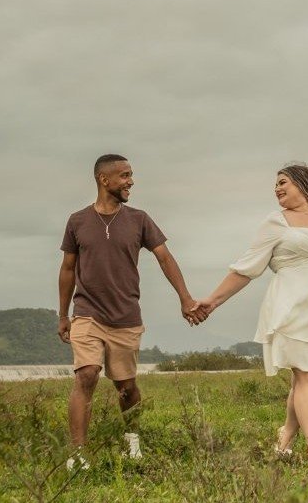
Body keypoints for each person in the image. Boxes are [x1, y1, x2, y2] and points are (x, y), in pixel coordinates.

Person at [192, 163, 308, 466]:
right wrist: (213, 301)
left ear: (302, 182)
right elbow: (246, 269)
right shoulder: (276, 222)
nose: (277, 189)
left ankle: (284, 438)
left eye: (282, 182)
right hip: (293, 308)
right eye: (275, 185)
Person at [56, 154, 206, 470]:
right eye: (124, 175)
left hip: (125, 316)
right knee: (86, 374)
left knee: (126, 387)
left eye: (130, 175)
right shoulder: (77, 221)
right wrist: (63, 315)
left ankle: (131, 440)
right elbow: (68, 268)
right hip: (87, 312)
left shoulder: (139, 219)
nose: (131, 182)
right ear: (104, 179)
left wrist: (185, 298)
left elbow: (165, 258)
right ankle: (79, 454)